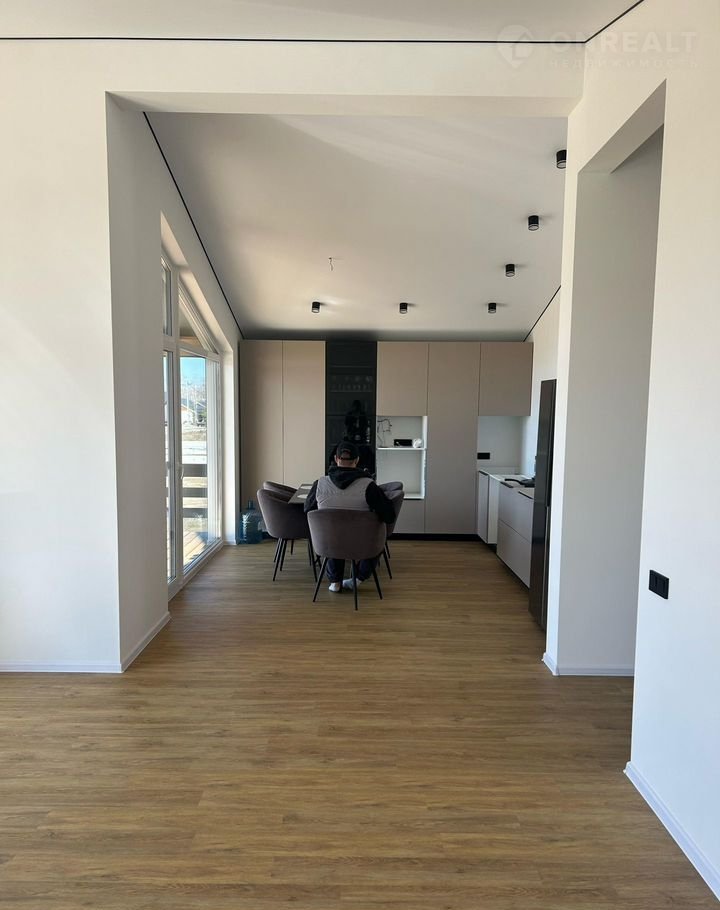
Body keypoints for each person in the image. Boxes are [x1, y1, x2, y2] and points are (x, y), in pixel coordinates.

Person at [305, 441, 394, 593]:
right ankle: (358, 579)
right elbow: (389, 516)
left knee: (332, 531)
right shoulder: (368, 485)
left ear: (336, 459)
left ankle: (335, 582)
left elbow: (307, 509)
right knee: (378, 536)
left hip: (327, 544)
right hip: (361, 544)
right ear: (357, 460)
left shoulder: (320, 483)